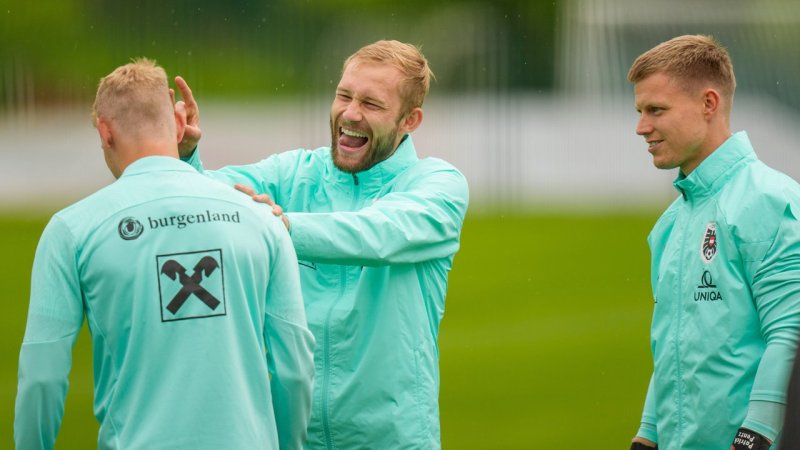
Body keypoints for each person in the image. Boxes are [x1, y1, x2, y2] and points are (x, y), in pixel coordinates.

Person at [174, 40, 469, 449]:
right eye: (344, 95)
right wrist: (185, 157)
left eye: (372, 103)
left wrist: (280, 225)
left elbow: (376, 233)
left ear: (410, 120)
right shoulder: (294, 172)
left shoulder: (438, 184)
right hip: (290, 439)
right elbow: (203, 201)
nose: (350, 113)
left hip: (392, 441)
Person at [14, 58, 315, 450]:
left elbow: (42, 378)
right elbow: (295, 370)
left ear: (105, 133)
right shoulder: (262, 219)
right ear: (178, 122)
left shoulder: (72, 229)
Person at [627, 35, 800, 450]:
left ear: (709, 103)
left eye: (656, 110)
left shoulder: (770, 200)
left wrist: (755, 434)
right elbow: (672, 346)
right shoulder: (670, 224)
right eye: (639, 111)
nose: (641, 127)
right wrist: (647, 433)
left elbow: (790, 333)